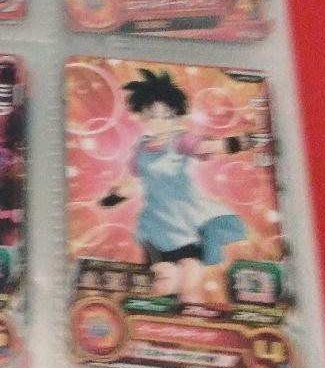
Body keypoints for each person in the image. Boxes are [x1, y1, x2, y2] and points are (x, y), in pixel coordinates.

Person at [102, 68, 248, 303]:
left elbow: (203, 146)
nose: (160, 122)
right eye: (153, 115)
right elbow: (130, 180)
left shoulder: (180, 140)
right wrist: (115, 196)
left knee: (189, 287)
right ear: (142, 115)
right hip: (156, 225)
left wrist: (231, 143)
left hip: (187, 222)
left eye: (167, 115)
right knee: (162, 286)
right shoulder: (141, 149)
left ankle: (194, 317)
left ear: (177, 115)